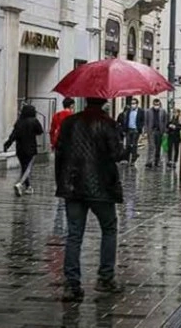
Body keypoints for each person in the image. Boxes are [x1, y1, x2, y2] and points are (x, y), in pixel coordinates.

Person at [55, 97, 126, 302]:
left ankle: (71, 284)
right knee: (109, 227)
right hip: (101, 187)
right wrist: (126, 150)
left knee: (74, 234)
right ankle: (105, 278)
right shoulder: (107, 123)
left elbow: (59, 152)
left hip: (73, 185)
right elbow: (115, 154)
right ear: (104, 101)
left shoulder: (70, 122)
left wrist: (61, 182)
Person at [4, 104, 44, 197]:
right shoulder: (34, 121)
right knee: (28, 168)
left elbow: (13, 135)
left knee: (24, 168)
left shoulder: (19, 122)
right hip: (31, 148)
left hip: (20, 149)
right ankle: (20, 184)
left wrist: (7, 145)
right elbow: (40, 131)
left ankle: (29, 187)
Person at [145, 99, 167, 168]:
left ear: (159, 104)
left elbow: (165, 121)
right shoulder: (148, 111)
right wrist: (146, 131)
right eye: (155, 104)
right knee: (151, 146)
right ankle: (150, 161)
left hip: (160, 131)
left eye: (157, 104)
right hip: (151, 131)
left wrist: (165, 131)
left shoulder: (163, 111)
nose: (156, 106)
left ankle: (157, 161)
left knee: (158, 147)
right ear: (153, 104)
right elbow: (146, 121)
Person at [123, 98, 144, 166]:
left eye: (134, 103)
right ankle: (127, 159)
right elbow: (126, 120)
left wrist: (140, 128)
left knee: (134, 145)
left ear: (137, 104)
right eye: (132, 103)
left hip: (136, 130)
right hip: (129, 129)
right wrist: (125, 129)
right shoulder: (128, 111)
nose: (133, 105)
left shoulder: (141, 111)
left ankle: (133, 160)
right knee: (128, 145)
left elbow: (142, 120)